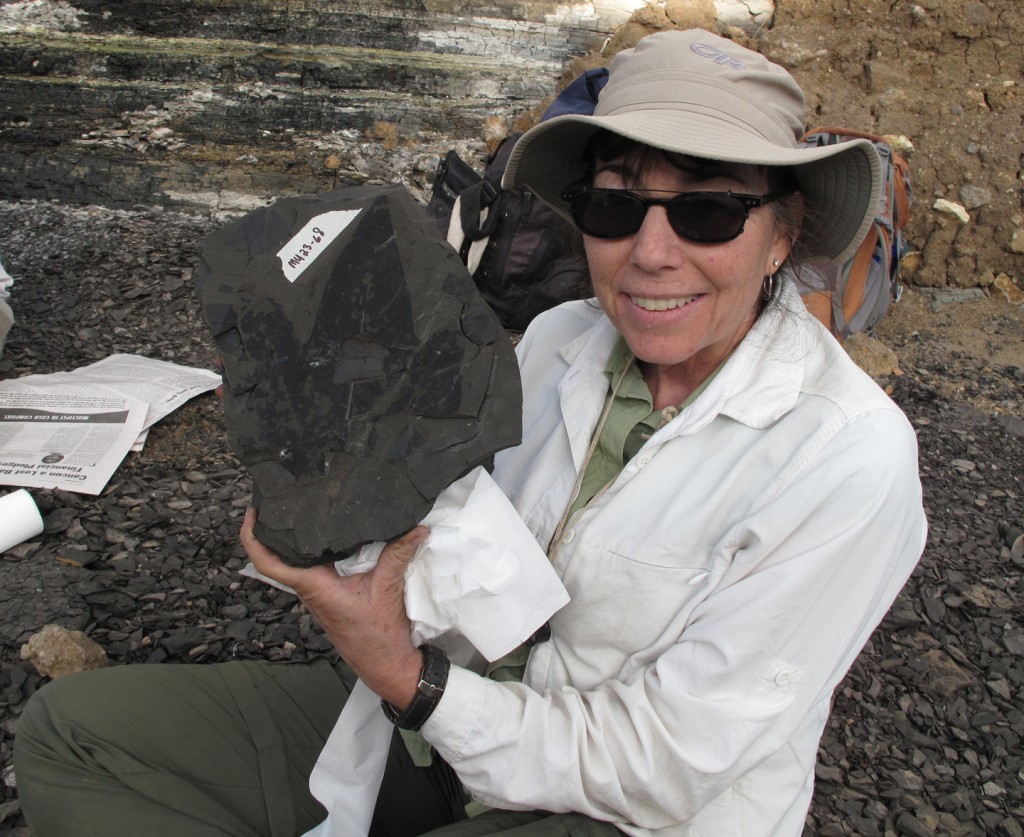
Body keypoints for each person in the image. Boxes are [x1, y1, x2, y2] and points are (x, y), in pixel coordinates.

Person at [13, 29, 927, 837]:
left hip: (613, 810)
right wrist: (337, 504)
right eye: (614, 205)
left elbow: (666, 764)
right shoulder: (566, 339)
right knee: (74, 737)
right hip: (444, 730)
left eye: (707, 211)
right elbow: (448, 523)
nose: (652, 252)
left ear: (781, 235)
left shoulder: (845, 457)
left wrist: (410, 678)